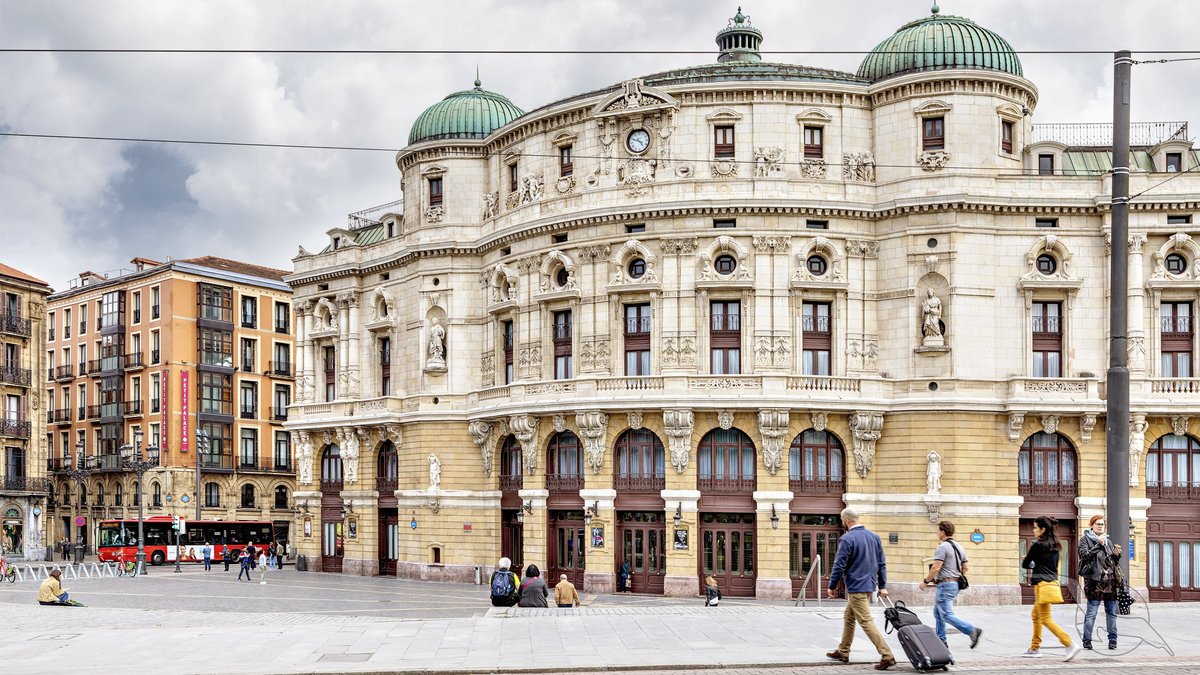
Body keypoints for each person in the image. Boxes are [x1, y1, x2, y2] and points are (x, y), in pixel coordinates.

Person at [825, 507, 895, 671]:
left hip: (856, 587)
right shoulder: (874, 537)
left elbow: (839, 564)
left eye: (842, 520)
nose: (842, 522)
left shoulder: (847, 539)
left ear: (846, 520)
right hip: (869, 585)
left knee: (865, 620)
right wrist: (882, 585)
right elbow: (881, 563)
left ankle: (887, 655)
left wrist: (832, 586)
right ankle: (843, 651)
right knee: (849, 616)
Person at [1021, 515, 1081, 661]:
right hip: (1051, 583)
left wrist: (1031, 562)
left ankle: (1069, 643)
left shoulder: (1037, 545)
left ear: (1043, 529)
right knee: (1036, 616)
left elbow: (1026, 564)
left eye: (1036, 527)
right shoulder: (1056, 545)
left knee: (1046, 619)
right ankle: (1034, 648)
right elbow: (1053, 566)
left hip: (1042, 585)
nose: (1034, 530)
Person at [922, 521, 982, 649]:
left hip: (945, 584)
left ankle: (972, 630)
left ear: (943, 532)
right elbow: (965, 567)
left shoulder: (942, 547)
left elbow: (936, 567)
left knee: (945, 614)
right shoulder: (959, 547)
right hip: (954, 584)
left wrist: (925, 581)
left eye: (938, 531)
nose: (937, 533)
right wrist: (955, 574)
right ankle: (941, 641)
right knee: (938, 613)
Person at [1078, 515, 1122, 650]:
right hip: (1094, 582)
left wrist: (1116, 555)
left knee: (1112, 613)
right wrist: (1098, 545)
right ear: (1092, 525)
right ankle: (1087, 640)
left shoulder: (1108, 541)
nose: (1100, 526)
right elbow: (1084, 556)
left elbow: (1111, 562)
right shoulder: (1085, 539)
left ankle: (1113, 640)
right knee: (1091, 613)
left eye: (1102, 524)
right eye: (1097, 524)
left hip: (1110, 583)